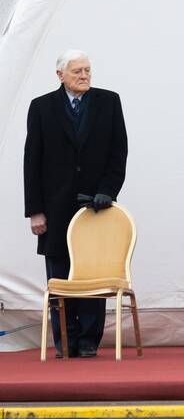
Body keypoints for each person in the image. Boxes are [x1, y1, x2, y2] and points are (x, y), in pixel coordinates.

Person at [23, 50, 128, 358]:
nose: (84, 76)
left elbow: (118, 153)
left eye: (87, 70)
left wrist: (107, 190)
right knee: (60, 273)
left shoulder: (109, 102)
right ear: (60, 75)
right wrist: (35, 211)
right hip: (55, 209)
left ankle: (88, 340)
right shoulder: (41, 108)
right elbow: (32, 162)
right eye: (77, 71)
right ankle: (65, 341)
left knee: (92, 273)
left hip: (96, 205)